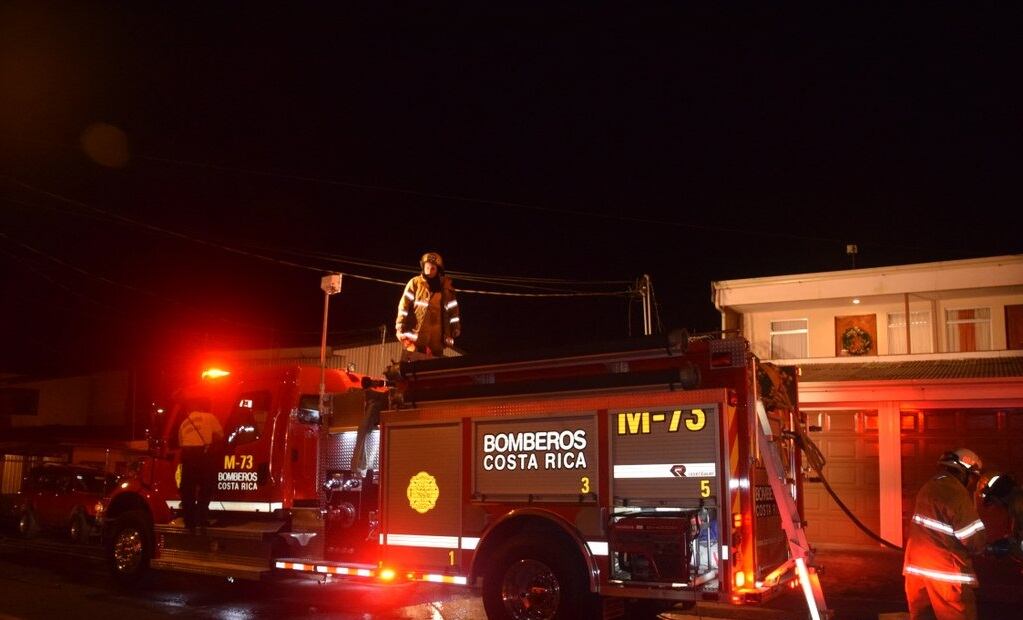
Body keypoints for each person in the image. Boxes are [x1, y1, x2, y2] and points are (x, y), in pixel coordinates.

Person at [903, 448, 987, 620]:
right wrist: (986, 546)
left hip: (916, 572)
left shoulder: (929, 486)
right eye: (973, 477)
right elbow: (973, 539)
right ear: (964, 472)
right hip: (947, 576)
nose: (973, 482)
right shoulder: (956, 493)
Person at [395, 251, 460, 359]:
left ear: (438, 270)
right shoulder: (415, 283)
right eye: (427, 267)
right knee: (414, 360)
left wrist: (455, 327)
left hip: (438, 337)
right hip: (417, 335)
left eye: (433, 268)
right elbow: (403, 305)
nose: (429, 271)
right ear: (423, 267)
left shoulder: (446, 288)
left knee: (436, 363)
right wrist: (400, 323)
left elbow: (453, 310)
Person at [178, 409, 225, 532]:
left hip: (187, 456)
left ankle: (189, 522)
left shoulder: (184, 422)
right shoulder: (209, 417)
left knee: (188, 490)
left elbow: (181, 443)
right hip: (203, 454)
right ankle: (201, 518)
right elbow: (220, 435)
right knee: (206, 487)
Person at [979, 472, 1023, 561]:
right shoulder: (1017, 503)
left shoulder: (1019, 506)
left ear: (999, 496)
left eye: (993, 500)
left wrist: (1000, 548)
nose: (996, 505)